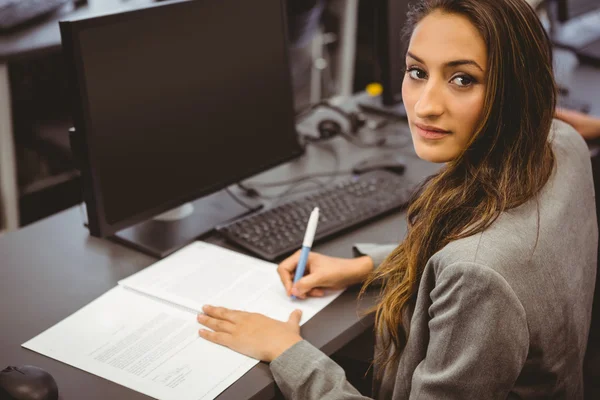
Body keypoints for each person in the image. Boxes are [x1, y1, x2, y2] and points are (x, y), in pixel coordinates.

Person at [196, 0, 598, 398]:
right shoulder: (561, 142)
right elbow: (478, 251)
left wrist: (287, 351)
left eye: (463, 79)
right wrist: (364, 267)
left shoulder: (479, 275)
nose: (425, 106)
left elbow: (479, 268)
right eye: (417, 72)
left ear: (516, 88)